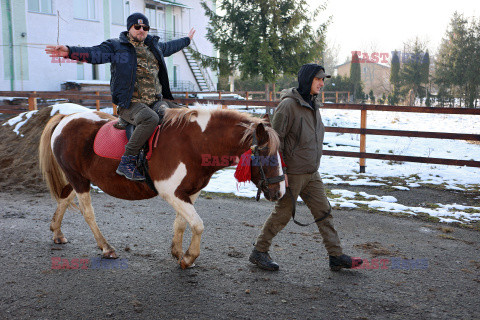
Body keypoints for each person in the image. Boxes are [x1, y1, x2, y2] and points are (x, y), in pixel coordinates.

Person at [45, 12, 195, 181]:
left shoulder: (154, 47)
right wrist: (70, 51)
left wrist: (187, 40)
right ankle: (127, 161)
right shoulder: (117, 47)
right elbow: (94, 53)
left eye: (145, 27)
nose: (141, 30)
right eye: (137, 27)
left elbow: (171, 46)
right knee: (150, 119)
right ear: (129, 28)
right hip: (130, 104)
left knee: (188, 114)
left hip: (156, 101)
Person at [249, 63, 363, 271]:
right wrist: (282, 174)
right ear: (307, 80)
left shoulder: (312, 104)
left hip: (311, 172)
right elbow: (276, 142)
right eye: (318, 79)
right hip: (293, 173)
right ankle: (259, 251)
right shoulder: (288, 106)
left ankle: (335, 255)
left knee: (324, 212)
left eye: (323, 80)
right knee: (282, 214)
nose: (321, 83)